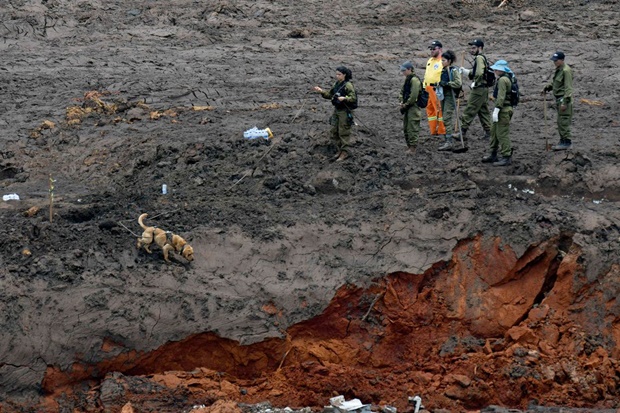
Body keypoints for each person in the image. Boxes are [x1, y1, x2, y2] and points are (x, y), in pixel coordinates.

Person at [314, 66, 357, 162]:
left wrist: (345, 98)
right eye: (336, 74)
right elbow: (330, 95)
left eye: (339, 74)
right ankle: (339, 150)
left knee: (343, 132)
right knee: (334, 131)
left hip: (345, 111)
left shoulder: (348, 85)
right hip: (337, 110)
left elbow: (353, 97)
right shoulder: (337, 84)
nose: (337, 76)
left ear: (344, 75)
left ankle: (344, 152)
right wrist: (321, 91)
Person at [459, 39, 492, 144]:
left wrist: (476, 82)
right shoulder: (482, 58)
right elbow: (475, 73)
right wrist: (466, 72)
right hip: (484, 88)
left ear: (480, 48)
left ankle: (462, 132)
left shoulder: (479, 58)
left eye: (474, 48)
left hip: (478, 88)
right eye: (471, 48)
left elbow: (478, 73)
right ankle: (489, 133)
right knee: (483, 111)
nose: (471, 50)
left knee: (470, 108)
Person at [482, 60, 514, 166]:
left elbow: (501, 97)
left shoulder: (503, 80)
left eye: (497, 69)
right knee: (494, 132)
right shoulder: (506, 78)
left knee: (502, 134)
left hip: (503, 110)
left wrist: (497, 108)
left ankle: (506, 156)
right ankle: (493, 154)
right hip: (503, 109)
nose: (495, 70)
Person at [541, 51, 574, 150]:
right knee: (560, 121)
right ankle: (562, 140)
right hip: (559, 99)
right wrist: (547, 87)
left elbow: (568, 88)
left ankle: (566, 142)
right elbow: (555, 83)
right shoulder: (559, 69)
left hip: (564, 100)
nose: (554, 62)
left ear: (562, 60)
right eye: (554, 60)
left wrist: (565, 102)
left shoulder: (566, 71)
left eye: (556, 60)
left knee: (563, 121)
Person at [436, 50, 463, 151]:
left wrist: (447, 84)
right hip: (443, 95)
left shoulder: (453, 71)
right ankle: (447, 139)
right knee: (444, 116)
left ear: (449, 61)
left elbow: (458, 83)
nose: (441, 62)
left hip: (450, 95)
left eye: (443, 60)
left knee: (447, 117)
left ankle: (449, 142)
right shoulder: (442, 70)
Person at [423, 40, 446, 140]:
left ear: (440, 49)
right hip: (427, 88)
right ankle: (433, 130)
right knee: (430, 109)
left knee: (438, 110)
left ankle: (442, 130)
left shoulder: (443, 61)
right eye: (431, 49)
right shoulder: (430, 61)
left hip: (436, 89)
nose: (431, 51)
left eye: (434, 49)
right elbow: (426, 74)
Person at [398, 61, 423, 153]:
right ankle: (409, 146)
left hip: (413, 107)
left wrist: (406, 104)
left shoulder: (414, 80)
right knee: (406, 127)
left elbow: (413, 96)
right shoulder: (408, 79)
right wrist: (401, 101)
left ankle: (412, 147)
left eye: (404, 70)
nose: (403, 72)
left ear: (409, 69)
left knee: (412, 127)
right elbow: (402, 91)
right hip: (408, 107)